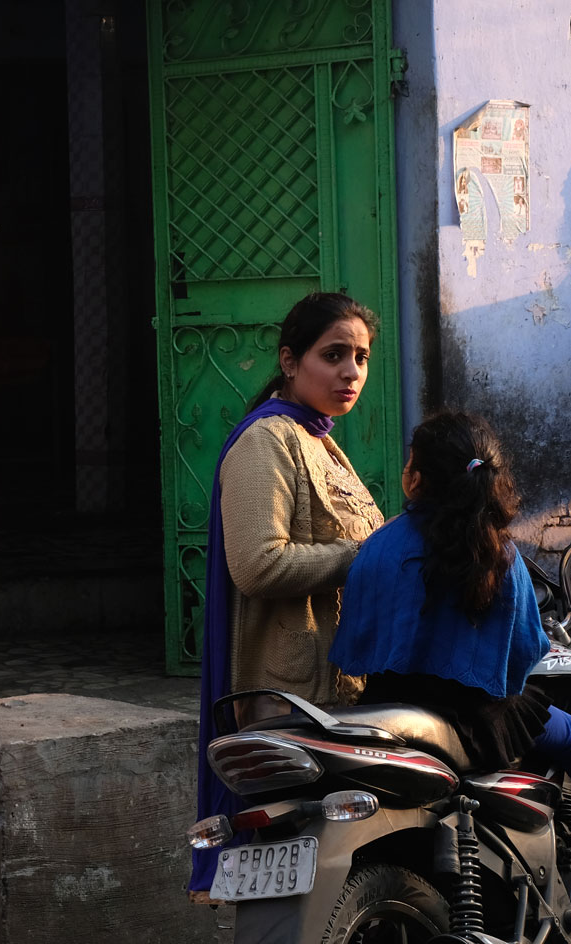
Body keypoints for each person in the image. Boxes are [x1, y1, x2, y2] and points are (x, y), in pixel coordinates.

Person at [333, 410, 571, 880]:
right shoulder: (497, 554)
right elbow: (526, 659)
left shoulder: (378, 545)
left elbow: (355, 644)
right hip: (474, 722)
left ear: (415, 478)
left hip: (385, 708)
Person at [190, 291, 387, 893]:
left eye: (361, 356)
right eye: (334, 355)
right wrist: (366, 557)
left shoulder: (317, 439)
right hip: (289, 699)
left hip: (333, 691)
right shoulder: (269, 441)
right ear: (289, 360)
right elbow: (257, 564)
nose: (351, 371)